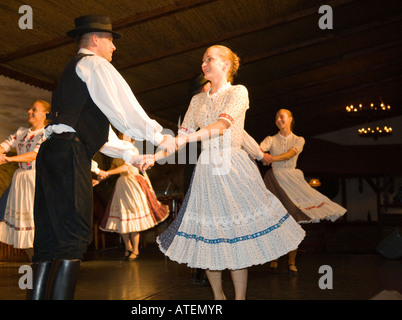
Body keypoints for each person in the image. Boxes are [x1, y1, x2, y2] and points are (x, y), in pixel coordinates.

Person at [30, 14, 174, 300]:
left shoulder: (74, 70)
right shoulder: (95, 64)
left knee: (49, 238)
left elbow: (100, 134)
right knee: (73, 235)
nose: (114, 48)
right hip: (70, 153)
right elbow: (126, 111)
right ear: (95, 39)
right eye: (110, 40)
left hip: (51, 153)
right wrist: (163, 137)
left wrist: (133, 156)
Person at [156, 45, 305, 300]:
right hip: (207, 170)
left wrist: (259, 154)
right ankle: (218, 297)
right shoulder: (197, 100)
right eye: (202, 60)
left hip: (233, 166)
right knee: (209, 235)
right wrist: (155, 157)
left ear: (226, 64)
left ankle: (239, 298)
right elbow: (182, 134)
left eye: (209, 59)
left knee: (236, 236)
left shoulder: (238, 92)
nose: (203, 64)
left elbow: (224, 126)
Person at [259, 108, 347, 275]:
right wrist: (262, 155)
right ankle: (274, 257)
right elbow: (259, 149)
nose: (279, 119)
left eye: (282, 117)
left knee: (294, 218)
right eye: (276, 117)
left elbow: (290, 154)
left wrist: (271, 158)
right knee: (275, 219)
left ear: (290, 119)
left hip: (291, 180)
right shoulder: (270, 139)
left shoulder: (299, 140)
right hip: (275, 179)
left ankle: (291, 261)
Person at [0, 100, 50, 261]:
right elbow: (1, 147)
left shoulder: (47, 133)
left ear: (45, 114)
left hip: (37, 180)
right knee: (22, 230)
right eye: (30, 108)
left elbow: (35, 155)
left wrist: (10, 160)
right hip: (21, 181)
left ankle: (44, 265)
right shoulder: (21, 132)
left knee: (36, 226)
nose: (29, 111)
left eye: (34, 109)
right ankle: (35, 264)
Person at [98, 131, 169, 261]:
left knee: (133, 217)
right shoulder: (117, 153)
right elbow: (114, 169)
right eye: (119, 135)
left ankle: (135, 249)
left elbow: (125, 167)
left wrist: (106, 173)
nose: (121, 137)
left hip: (132, 183)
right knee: (122, 218)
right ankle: (128, 247)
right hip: (121, 185)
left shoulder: (132, 150)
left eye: (123, 135)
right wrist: (99, 178)